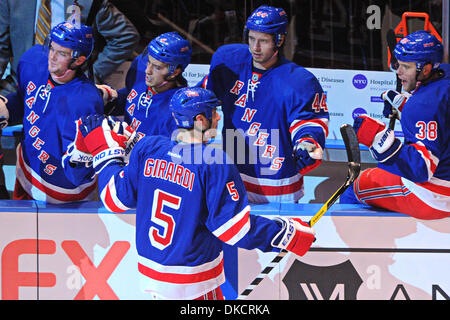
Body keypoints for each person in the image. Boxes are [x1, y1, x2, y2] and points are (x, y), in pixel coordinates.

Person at [77, 87, 316, 300]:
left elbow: (114, 198)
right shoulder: (214, 161)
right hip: (192, 281)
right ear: (201, 120)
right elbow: (233, 229)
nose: (219, 117)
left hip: (151, 274)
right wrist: (287, 234)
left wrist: (104, 154)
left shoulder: (149, 147)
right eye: (214, 113)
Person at [200, 5, 329, 203]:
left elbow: (309, 123)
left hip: (277, 186)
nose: (255, 48)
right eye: (251, 38)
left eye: (263, 41)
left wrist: (308, 143)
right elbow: (203, 98)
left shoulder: (300, 81)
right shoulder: (230, 63)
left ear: (280, 40)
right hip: (234, 181)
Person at [340, 31, 449, 220]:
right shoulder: (445, 74)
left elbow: (421, 169)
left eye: (406, 67)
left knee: (356, 186)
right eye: (398, 64)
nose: (399, 72)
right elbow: (440, 120)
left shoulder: (422, 105)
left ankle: (364, 245)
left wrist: (379, 139)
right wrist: (405, 107)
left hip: (434, 197)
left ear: (426, 69)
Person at [2, 21, 104, 203]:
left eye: (62, 53)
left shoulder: (84, 101)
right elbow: (24, 98)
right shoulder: (32, 60)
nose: (52, 56)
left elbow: (78, 171)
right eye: (52, 48)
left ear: (79, 60)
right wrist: (6, 108)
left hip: (62, 193)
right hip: (26, 169)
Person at [0, 0, 140, 91]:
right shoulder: (11, 2)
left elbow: (126, 36)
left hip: (69, 87)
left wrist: (92, 74)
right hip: (19, 84)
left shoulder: (88, 3)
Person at [97, 31, 191, 139]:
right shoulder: (140, 66)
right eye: (148, 61)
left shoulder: (177, 111)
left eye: (157, 67)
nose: (147, 70)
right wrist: (109, 97)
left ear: (174, 72)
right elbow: (130, 94)